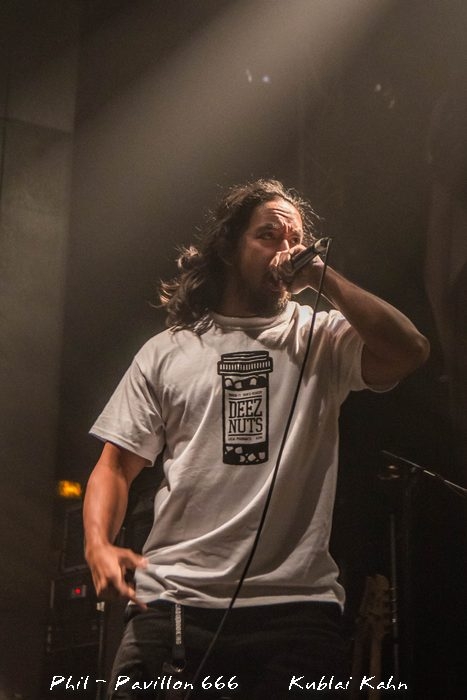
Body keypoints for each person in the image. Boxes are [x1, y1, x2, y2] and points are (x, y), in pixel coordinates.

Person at [83, 179, 429, 699]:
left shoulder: (320, 335)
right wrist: (97, 545)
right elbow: (114, 466)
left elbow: (410, 350)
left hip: (297, 609)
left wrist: (324, 279)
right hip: (175, 600)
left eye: (296, 239)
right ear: (229, 247)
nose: (286, 250)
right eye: (269, 235)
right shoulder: (168, 351)